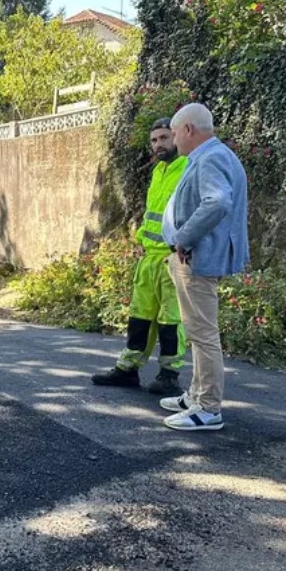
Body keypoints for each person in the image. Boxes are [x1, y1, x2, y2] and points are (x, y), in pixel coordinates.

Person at [159, 103, 249, 431]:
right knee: (197, 331)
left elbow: (217, 202)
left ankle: (208, 408)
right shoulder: (212, 155)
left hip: (196, 257)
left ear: (188, 130)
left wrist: (183, 238)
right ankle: (196, 395)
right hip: (195, 256)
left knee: (202, 332)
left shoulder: (211, 157)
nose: (172, 142)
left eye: (173, 134)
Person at [92, 118, 188, 395]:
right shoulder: (159, 171)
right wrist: (142, 239)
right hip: (149, 259)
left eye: (163, 138)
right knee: (140, 317)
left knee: (171, 320)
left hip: (172, 258)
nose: (158, 144)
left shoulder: (187, 169)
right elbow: (152, 214)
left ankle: (169, 374)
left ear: (177, 137)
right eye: (154, 140)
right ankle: (128, 369)